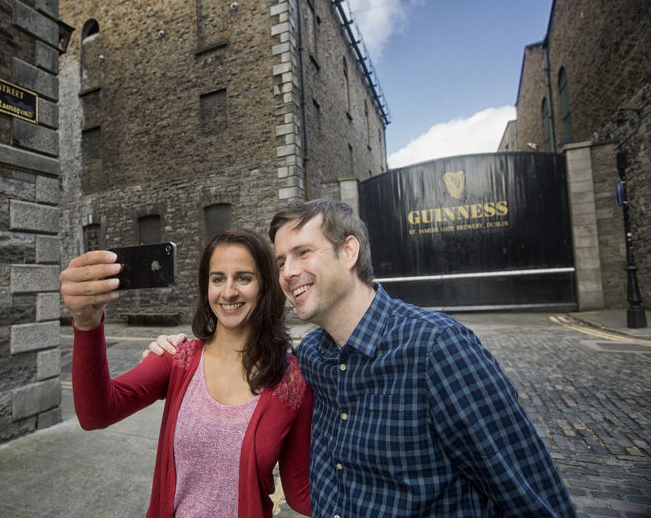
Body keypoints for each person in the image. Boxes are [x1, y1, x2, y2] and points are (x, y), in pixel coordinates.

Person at [150, 199, 576, 517]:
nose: (288, 272)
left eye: (303, 252)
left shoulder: (436, 348)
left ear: (349, 251)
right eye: (281, 261)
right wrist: (180, 351)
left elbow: (534, 499)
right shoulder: (309, 361)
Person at [60, 228, 312, 518]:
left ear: (265, 285)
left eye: (244, 278)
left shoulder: (292, 381)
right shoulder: (177, 359)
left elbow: (300, 494)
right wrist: (87, 324)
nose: (228, 292)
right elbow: (96, 414)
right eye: (218, 279)